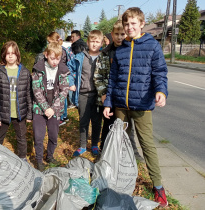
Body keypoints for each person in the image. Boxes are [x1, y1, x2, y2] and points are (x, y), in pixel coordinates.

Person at [103, 7, 168, 207]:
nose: (129, 27)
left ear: (141, 24)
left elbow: (160, 72)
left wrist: (161, 91)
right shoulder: (121, 48)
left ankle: (158, 187)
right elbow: (113, 78)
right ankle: (113, 178)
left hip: (142, 105)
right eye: (126, 24)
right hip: (121, 105)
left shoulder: (152, 46)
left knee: (147, 145)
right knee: (117, 142)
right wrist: (108, 102)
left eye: (133, 24)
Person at [94, 20, 144, 162]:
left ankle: (132, 152)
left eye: (122, 34)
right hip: (109, 98)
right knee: (108, 126)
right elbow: (98, 76)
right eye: (117, 34)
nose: (120, 37)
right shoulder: (105, 53)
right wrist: (104, 93)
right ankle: (104, 152)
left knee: (128, 127)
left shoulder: (130, 50)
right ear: (112, 34)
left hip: (124, 97)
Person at [0, 41, 32, 162]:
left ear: (17, 54)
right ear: (4, 55)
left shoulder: (25, 72)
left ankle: (22, 158)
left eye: (13, 53)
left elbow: (29, 93)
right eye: (8, 53)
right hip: (3, 113)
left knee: (22, 137)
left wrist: (29, 113)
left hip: (20, 113)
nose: (11, 56)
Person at [32, 42, 70, 171]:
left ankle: (49, 156)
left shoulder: (63, 70)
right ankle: (38, 160)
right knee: (38, 136)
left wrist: (53, 109)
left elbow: (64, 91)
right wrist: (45, 108)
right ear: (46, 55)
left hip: (55, 109)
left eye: (58, 59)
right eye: (52, 58)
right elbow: (36, 90)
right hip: (39, 108)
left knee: (53, 136)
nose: (55, 62)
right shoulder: (38, 69)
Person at [68, 30, 104, 157]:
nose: (94, 44)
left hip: (98, 95)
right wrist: (71, 82)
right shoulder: (80, 57)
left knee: (96, 121)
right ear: (88, 42)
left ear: (101, 43)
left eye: (97, 42)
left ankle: (94, 144)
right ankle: (83, 145)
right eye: (92, 41)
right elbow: (69, 69)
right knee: (83, 121)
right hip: (83, 94)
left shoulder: (103, 57)